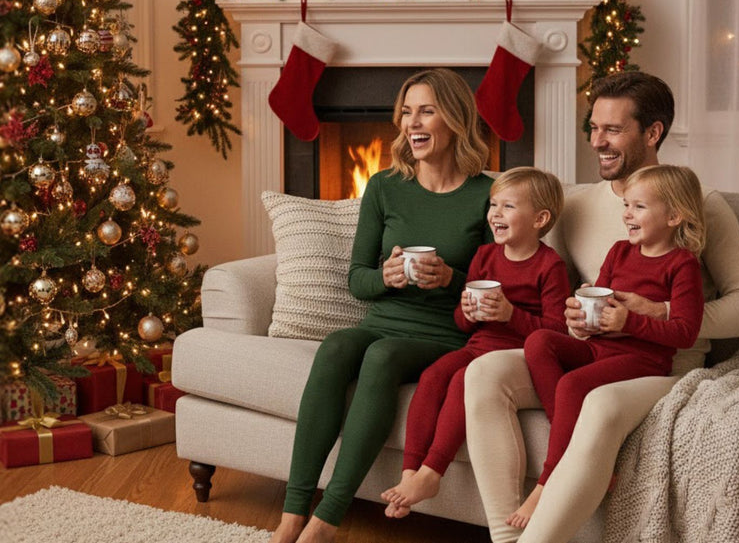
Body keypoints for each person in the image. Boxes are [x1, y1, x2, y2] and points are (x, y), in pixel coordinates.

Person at [462, 72, 739, 543]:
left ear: (652, 133)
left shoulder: (699, 204)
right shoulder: (577, 204)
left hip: (664, 363)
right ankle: (506, 537)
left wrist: (656, 312)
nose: (596, 141)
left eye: (612, 130)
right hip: (600, 350)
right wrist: (571, 320)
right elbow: (538, 275)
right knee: (484, 372)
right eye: (593, 127)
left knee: (599, 400)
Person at [273, 69, 495, 543]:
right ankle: (293, 511)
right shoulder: (384, 187)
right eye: (406, 111)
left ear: (455, 119)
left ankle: (328, 518)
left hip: (445, 332)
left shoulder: (488, 195)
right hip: (384, 317)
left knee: (382, 356)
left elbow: (497, 288)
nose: (412, 122)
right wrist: (387, 277)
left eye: (427, 110)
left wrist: (452, 278)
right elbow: (359, 279)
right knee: (335, 346)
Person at [511, 165, 709, 527]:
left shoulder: (683, 265)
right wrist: (579, 320)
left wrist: (630, 321)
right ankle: (571, 442)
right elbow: (597, 299)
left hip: (644, 360)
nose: (627, 215)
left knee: (572, 384)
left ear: (674, 215)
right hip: (600, 348)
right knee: (539, 341)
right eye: (626, 206)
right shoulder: (619, 252)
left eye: (639, 207)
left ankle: (547, 481)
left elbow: (685, 333)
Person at [381, 167, 572, 518]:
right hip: (477, 347)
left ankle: (432, 472)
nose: (495, 214)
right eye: (493, 205)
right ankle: (410, 474)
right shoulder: (485, 257)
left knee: (459, 382)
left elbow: (558, 333)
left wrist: (510, 314)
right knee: (433, 376)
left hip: (514, 359)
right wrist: (467, 312)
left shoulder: (550, 266)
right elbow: (462, 321)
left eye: (508, 207)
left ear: (540, 218)